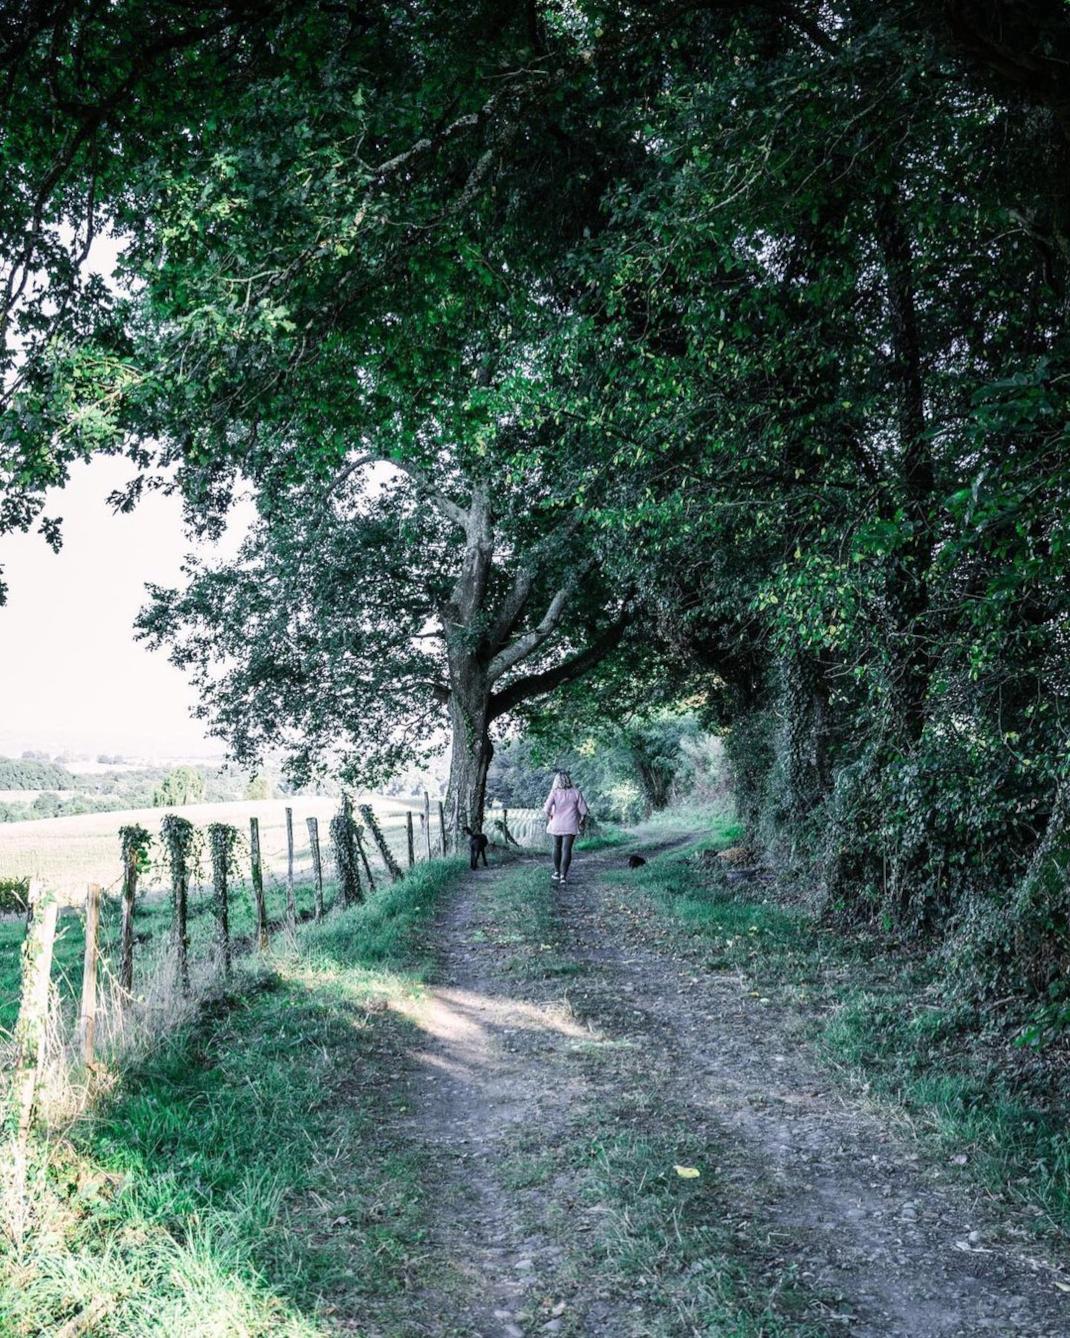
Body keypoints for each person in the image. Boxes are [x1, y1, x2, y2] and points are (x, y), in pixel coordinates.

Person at [543, 770, 589, 884]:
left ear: (556, 781)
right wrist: (581, 820)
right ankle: (564, 876)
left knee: (556, 847)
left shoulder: (554, 792)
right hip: (571, 824)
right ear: (569, 780)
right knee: (566, 849)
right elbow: (583, 810)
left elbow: (546, 809)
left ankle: (557, 872)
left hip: (556, 823)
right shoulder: (576, 792)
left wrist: (550, 816)